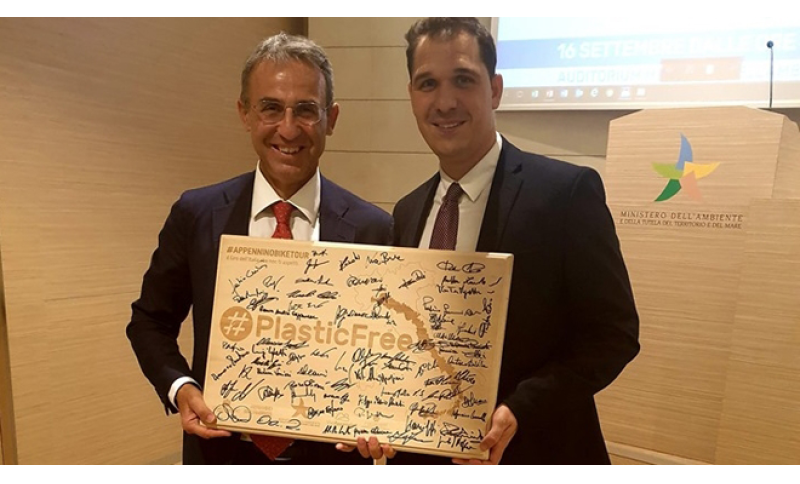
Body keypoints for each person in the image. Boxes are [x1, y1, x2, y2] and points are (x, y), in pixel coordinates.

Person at [347, 17, 640, 465]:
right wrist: (375, 413)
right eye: (428, 84)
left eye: (463, 79)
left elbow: (614, 336)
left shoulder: (565, 194)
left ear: (495, 89)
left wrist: (521, 408)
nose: (445, 101)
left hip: (539, 451)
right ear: (412, 96)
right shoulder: (407, 212)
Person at [126, 32, 393, 466]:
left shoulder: (374, 229)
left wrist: (380, 416)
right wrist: (181, 387)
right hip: (220, 453)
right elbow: (149, 321)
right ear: (245, 114)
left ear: (331, 118)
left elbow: (387, 354)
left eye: (306, 110)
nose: (288, 129)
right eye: (270, 108)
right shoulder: (197, 214)